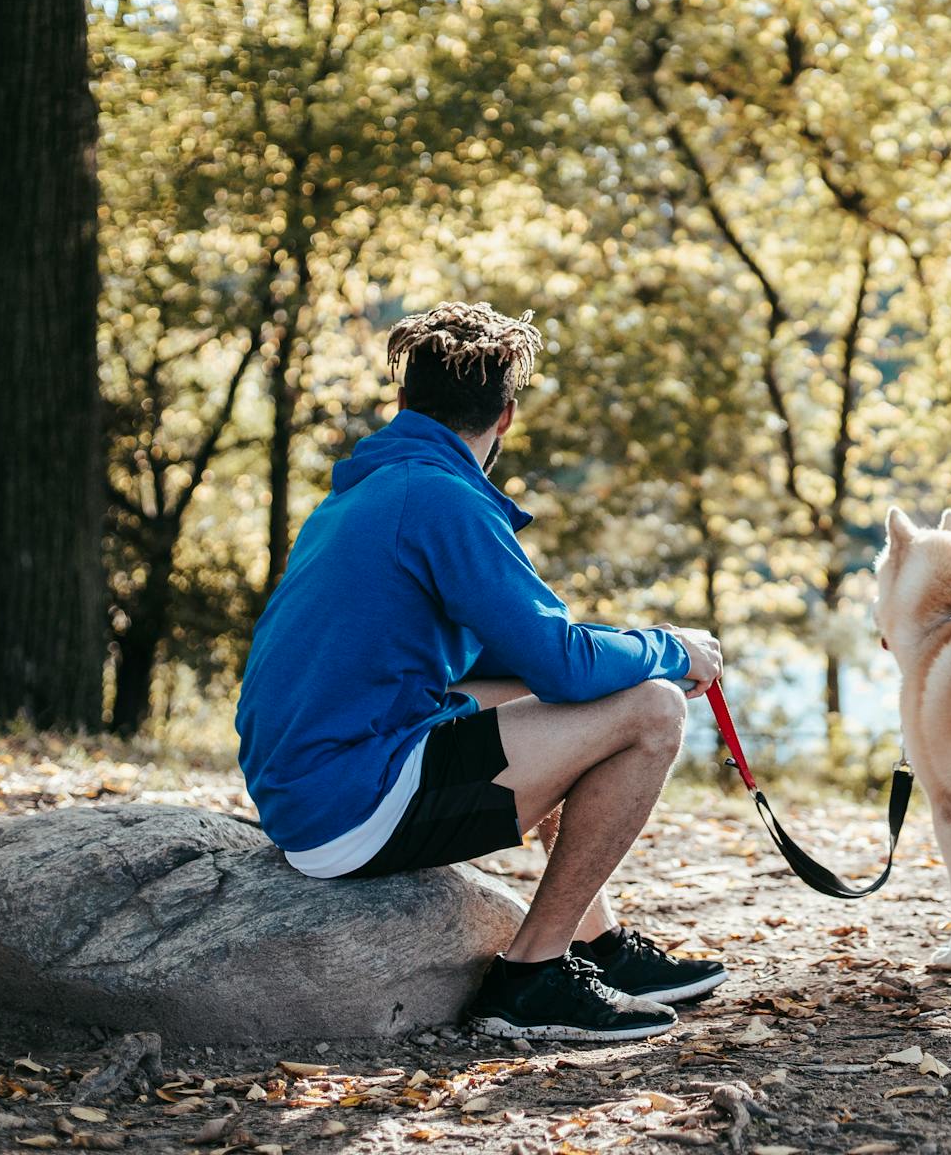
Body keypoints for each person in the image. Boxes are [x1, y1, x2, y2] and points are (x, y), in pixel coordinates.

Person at [235, 301, 726, 1043]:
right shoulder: (441, 498)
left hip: (310, 787)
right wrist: (672, 649)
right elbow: (564, 664)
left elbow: (522, 659)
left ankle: (596, 943)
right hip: (349, 809)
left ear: (403, 403)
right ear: (506, 416)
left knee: (570, 690)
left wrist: (613, 651)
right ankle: (533, 975)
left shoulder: (376, 486)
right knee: (652, 708)